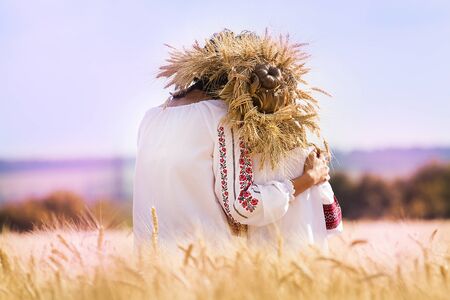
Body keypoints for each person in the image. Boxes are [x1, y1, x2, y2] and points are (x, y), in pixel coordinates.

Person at [132, 29, 342, 251]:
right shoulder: (222, 118)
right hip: (204, 265)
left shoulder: (150, 117)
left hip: (149, 263)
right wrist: (308, 179)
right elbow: (243, 205)